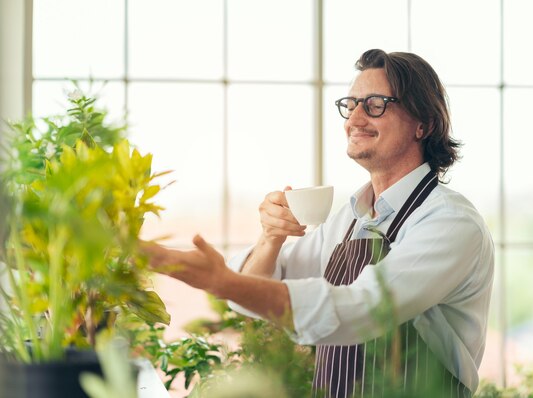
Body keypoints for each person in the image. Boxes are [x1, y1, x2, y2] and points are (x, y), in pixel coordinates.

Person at [145, 49, 494, 398]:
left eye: (374, 104)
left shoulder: (449, 222)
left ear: (424, 124)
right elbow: (252, 291)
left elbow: (363, 308)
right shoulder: (349, 218)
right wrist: (271, 239)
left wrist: (222, 282)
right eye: (351, 104)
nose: (354, 119)